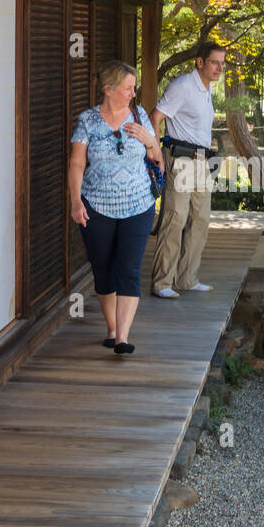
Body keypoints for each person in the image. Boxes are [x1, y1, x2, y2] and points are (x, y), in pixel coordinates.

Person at [68, 60, 162, 354]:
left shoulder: (140, 115)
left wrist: (149, 140)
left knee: (129, 269)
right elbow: (77, 162)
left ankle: (122, 337)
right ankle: (111, 327)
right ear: (109, 89)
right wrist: (75, 200)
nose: (133, 93)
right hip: (97, 205)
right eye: (127, 88)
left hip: (138, 204)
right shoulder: (88, 120)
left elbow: (157, 156)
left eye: (133, 88)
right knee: (103, 269)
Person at [148, 41, 224, 298]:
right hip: (180, 159)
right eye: (215, 62)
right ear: (200, 62)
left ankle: (186, 278)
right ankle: (162, 283)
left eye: (222, 63)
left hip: (202, 160)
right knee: (175, 218)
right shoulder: (182, 86)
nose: (219, 68)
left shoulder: (207, 89)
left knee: (200, 220)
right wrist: (156, 151)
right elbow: (155, 116)